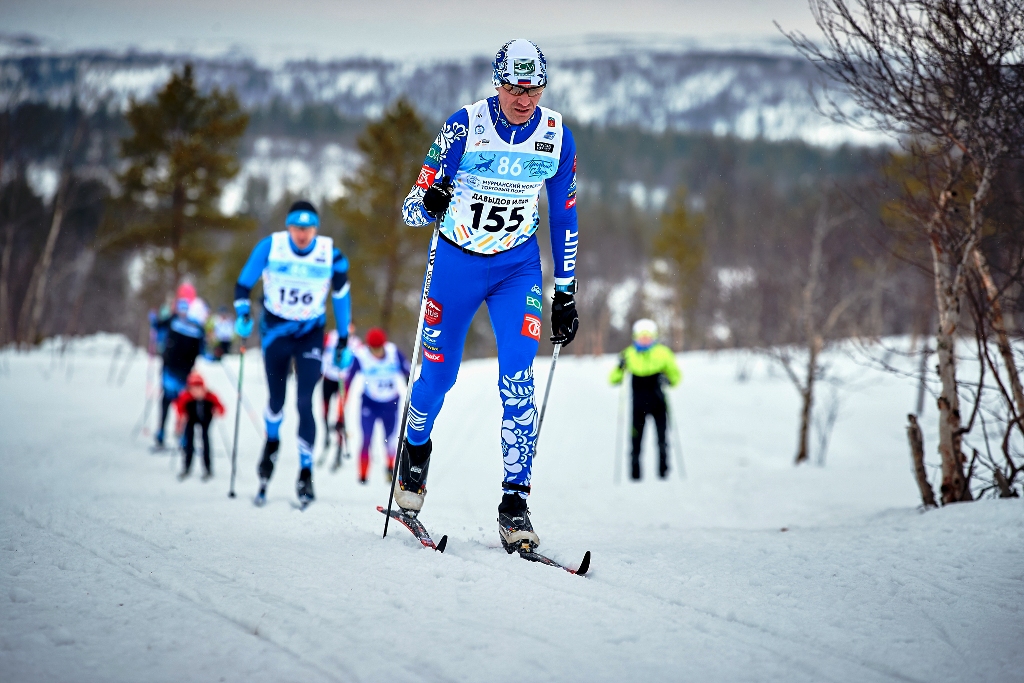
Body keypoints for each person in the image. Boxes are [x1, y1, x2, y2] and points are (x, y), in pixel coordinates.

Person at [397, 38, 580, 553]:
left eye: (534, 88)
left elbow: (565, 217)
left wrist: (563, 292)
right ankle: (413, 459)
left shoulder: (557, 135)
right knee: (439, 375)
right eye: (515, 87)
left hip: (516, 268)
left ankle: (514, 503)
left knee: (519, 376)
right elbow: (413, 209)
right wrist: (430, 198)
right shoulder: (464, 126)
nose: (525, 98)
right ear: (497, 84)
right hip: (456, 262)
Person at [233, 200, 352, 507]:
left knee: (304, 401)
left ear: (315, 229)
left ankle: (305, 471)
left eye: (308, 228)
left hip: (310, 335)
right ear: (288, 227)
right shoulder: (270, 246)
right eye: (297, 228)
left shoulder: (331, 255)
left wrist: (342, 339)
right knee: (276, 399)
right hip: (275, 334)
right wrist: (243, 314)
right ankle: (272, 442)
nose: (303, 234)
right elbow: (243, 284)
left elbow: (341, 296)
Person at [609, 319, 681, 480]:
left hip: (659, 403)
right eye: (641, 336)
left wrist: (667, 380)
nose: (644, 339)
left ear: (654, 337)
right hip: (638, 405)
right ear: (635, 337)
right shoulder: (628, 354)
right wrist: (620, 367)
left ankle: (663, 470)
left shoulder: (663, 353)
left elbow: (676, 376)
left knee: (662, 438)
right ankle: (635, 473)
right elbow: (613, 379)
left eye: (648, 336)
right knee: (635, 439)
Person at [344, 327, 411, 484]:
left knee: (390, 440)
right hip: (370, 404)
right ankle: (363, 475)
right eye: (372, 348)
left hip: (390, 404)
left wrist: (412, 392)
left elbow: (407, 374)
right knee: (366, 438)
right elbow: (348, 379)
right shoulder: (361, 356)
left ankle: (389, 468)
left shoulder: (394, 353)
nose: (376, 352)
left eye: (378, 348)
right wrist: (343, 403)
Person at [150, 282, 209, 449]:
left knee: (178, 402)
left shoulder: (194, 322)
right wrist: (155, 321)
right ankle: (165, 432)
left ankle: (180, 434)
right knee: (172, 400)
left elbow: (201, 348)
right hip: (173, 366)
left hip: (181, 368)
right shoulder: (176, 319)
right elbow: (160, 326)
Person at [173, 372, 225, 480]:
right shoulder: (186, 396)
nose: (196, 391)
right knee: (189, 442)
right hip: (191, 420)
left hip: (205, 421)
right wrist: (181, 419)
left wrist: (217, 410)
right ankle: (186, 466)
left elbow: (222, 409)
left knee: (205, 441)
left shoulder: (210, 396)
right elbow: (179, 407)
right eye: (193, 388)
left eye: (199, 387)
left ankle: (208, 468)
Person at [321, 326, 360, 455]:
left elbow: (361, 359)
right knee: (325, 409)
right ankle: (326, 434)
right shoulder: (331, 336)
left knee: (340, 413)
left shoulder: (355, 342)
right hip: (328, 377)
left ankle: (339, 441)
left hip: (343, 381)